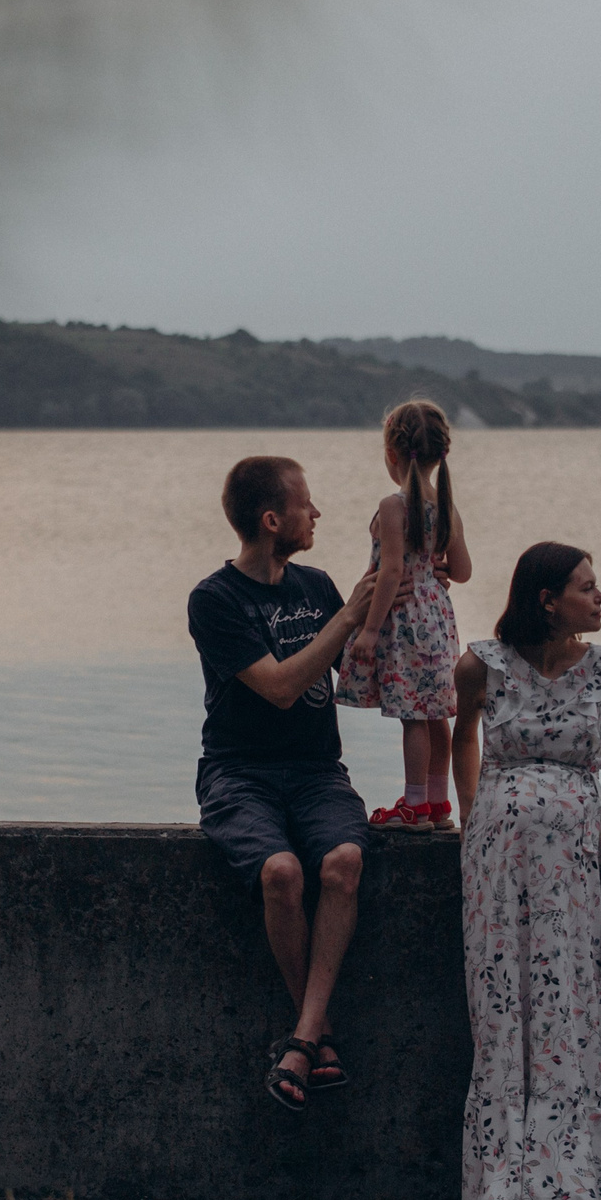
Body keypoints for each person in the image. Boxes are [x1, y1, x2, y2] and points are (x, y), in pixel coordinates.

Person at [450, 541, 601, 1200]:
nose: (600, 598)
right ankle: (495, 1198)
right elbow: (461, 739)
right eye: (587, 587)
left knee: (561, 1016)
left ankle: (551, 1194)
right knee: (500, 1015)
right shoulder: (481, 664)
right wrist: (471, 815)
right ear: (548, 597)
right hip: (497, 866)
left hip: (572, 872)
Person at [188, 455, 380, 1113]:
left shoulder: (318, 585)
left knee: (345, 862)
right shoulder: (215, 600)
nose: (317, 513)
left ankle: (302, 1035)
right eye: (306, 504)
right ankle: (318, 1034)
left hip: (316, 773)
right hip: (237, 773)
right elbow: (278, 685)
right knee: (280, 874)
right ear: (273, 521)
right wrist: (349, 616)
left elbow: (350, 667)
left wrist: (398, 598)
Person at [336, 399, 474, 828]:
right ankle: (438, 804)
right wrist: (437, 569)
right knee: (434, 712)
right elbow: (464, 571)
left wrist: (370, 631)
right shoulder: (446, 504)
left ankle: (413, 806)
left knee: (414, 715)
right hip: (437, 616)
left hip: (405, 619)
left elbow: (391, 570)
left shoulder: (395, 505)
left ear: (391, 453)